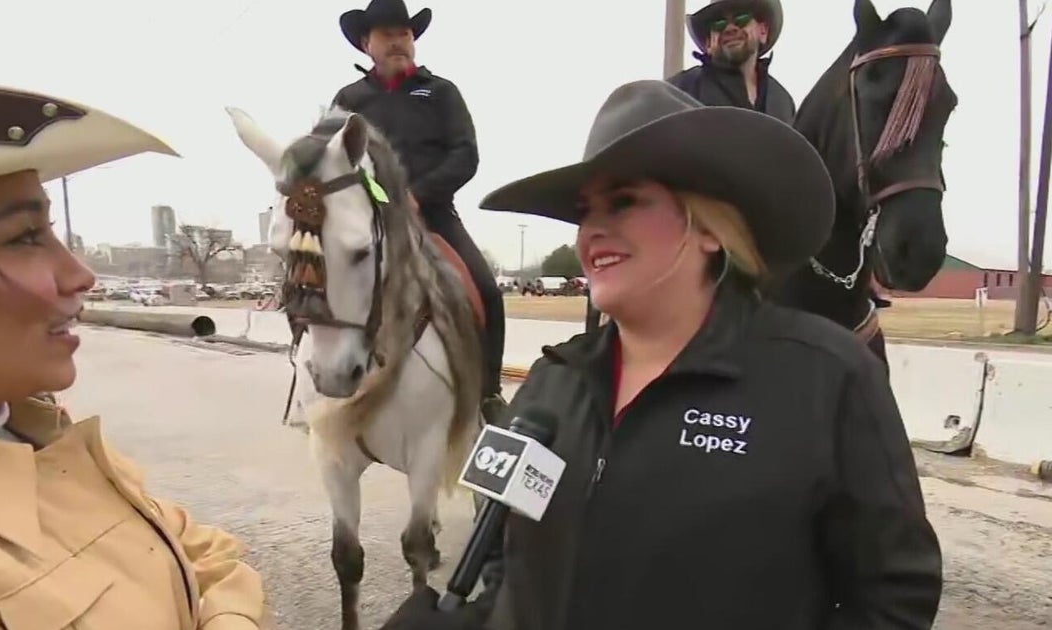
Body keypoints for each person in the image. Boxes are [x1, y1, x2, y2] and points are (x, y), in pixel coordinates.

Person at [379, 81, 943, 629]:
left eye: (624, 201)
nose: (592, 232)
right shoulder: (548, 386)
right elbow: (510, 570)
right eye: (585, 211)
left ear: (709, 227)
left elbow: (894, 598)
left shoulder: (826, 377)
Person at [0, 31, 267, 628]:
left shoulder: (39, 431)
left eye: (51, 232)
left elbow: (216, 560)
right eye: (24, 238)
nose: (81, 275)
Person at [331, 0, 508, 425]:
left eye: (404, 34)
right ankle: (319, 382)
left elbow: (465, 154)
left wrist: (417, 195)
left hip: (434, 212)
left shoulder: (441, 91)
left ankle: (488, 391)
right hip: (368, 216)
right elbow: (333, 160)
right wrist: (372, 197)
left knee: (487, 291)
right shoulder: (348, 99)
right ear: (366, 43)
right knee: (318, 282)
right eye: (387, 34)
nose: (398, 41)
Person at [666, 0, 795, 125]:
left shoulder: (783, 101)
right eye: (719, 23)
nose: (729, 28)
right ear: (708, 43)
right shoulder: (680, 90)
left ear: (763, 31)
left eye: (741, 18)